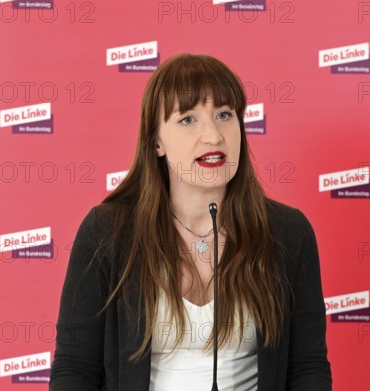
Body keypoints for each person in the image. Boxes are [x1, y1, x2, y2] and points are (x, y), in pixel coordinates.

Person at [50, 53, 332, 391]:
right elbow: (75, 370)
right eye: (188, 119)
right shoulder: (107, 231)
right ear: (156, 142)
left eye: (225, 115)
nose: (213, 135)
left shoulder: (287, 232)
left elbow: (308, 368)